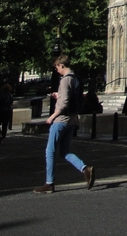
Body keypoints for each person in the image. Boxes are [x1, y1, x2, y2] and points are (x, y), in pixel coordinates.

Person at [33, 55, 94, 194]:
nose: (56, 70)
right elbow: (70, 98)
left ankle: (49, 183)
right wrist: (58, 95)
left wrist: (52, 116)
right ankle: (85, 169)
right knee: (65, 151)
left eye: (56, 67)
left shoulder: (65, 80)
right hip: (72, 119)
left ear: (61, 65)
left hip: (61, 119)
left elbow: (64, 103)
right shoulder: (76, 79)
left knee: (50, 151)